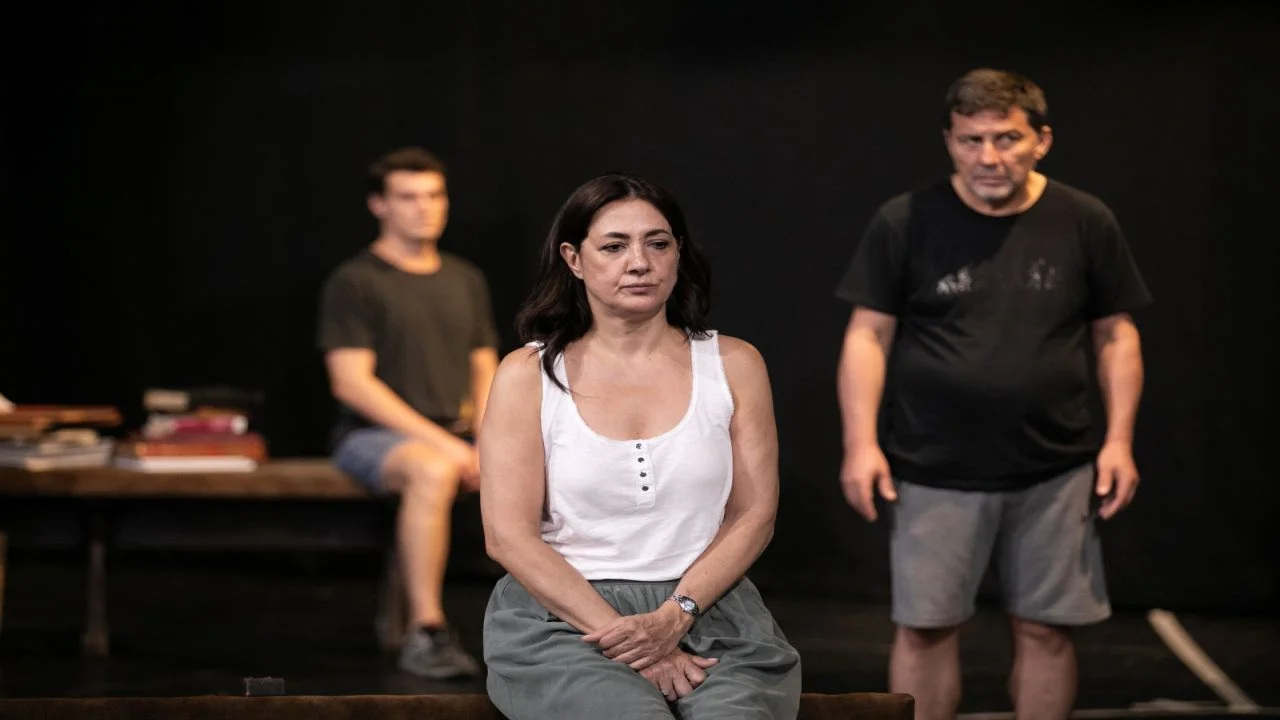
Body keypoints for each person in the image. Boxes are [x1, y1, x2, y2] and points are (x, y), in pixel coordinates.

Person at [834, 69, 1152, 720]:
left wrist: (1120, 441)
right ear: (949, 141)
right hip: (932, 467)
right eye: (971, 140)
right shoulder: (905, 220)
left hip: (1055, 468)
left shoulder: (1083, 219)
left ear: (1042, 140)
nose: (988, 157)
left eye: (1007, 138)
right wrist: (860, 444)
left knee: (1045, 628)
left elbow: (1116, 335)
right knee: (925, 629)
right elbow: (868, 335)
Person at [477, 173, 801, 719]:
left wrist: (674, 617)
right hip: (566, 619)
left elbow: (754, 514)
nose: (639, 263)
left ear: (678, 253)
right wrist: (632, 640)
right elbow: (509, 536)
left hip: (708, 609)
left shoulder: (734, 364)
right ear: (574, 259)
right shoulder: (528, 374)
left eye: (657, 243)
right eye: (614, 246)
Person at [317, 146, 499, 679]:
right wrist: (451, 448)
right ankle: (426, 632)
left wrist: (487, 441)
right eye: (409, 197)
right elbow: (351, 383)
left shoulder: (465, 278)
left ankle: (573, 628)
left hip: (459, 435)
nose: (425, 208)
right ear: (379, 205)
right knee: (432, 469)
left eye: (435, 195)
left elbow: (485, 368)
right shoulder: (356, 281)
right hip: (372, 437)